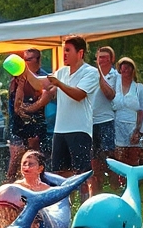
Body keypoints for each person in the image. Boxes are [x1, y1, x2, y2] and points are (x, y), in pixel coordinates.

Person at [23, 36, 99, 203]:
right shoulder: (62, 72)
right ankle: (66, 207)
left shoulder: (91, 72)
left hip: (80, 129)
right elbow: (39, 84)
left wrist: (59, 83)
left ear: (80, 53)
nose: (64, 54)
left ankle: (89, 204)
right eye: (64, 50)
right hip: (60, 130)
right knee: (60, 173)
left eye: (67, 50)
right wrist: (24, 70)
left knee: (83, 173)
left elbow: (79, 95)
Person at [10, 49, 50, 180]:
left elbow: (44, 99)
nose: (24, 63)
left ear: (37, 60)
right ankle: (8, 190)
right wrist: (20, 109)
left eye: (28, 60)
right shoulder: (17, 77)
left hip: (37, 124)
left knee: (35, 157)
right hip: (18, 123)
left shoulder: (44, 78)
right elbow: (15, 104)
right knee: (15, 160)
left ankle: (39, 184)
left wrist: (28, 109)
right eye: (23, 60)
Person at [89, 46, 118, 196]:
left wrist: (99, 74)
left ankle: (115, 187)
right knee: (94, 158)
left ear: (111, 59)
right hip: (90, 121)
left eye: (105, 57)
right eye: (99, 57)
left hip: (106, 119)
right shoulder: (90, 74)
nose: (102, 60)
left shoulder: (115, 76)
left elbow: (109, 94)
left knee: (109, 155)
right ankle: (96, 190)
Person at [111, 57, 143, 169]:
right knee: (119, 160)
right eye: (123, 67)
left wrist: (138, 131)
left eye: (128, 67)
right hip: (117, 127)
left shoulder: (138, 88)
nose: (125, 69)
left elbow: (142, 110)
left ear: (132, 70)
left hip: (133, 126)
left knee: (133, 160)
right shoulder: (114, 87)